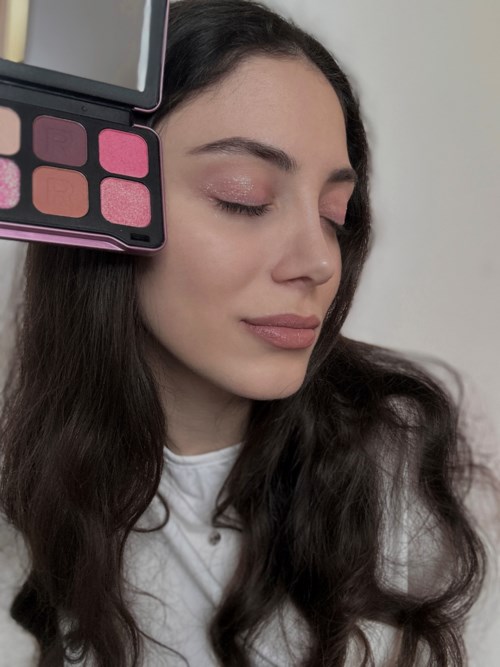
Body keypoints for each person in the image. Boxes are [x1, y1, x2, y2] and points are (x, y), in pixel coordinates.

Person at [0, 0, 498, 665]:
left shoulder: (415, 463)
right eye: (244, 198)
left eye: (334, 214)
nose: (320, 262)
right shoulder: (20, 521)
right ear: (104, 200)